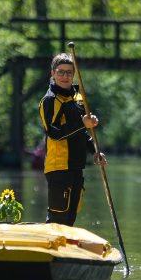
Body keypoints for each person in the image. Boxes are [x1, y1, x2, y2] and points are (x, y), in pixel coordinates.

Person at [38, 53, 104, 226]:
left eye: (69, 72)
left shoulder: (78, 97)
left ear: (74, 74)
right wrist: (83, 123)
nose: (65, 76)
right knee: (57, 219)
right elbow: (54, 133)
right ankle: (52, 251)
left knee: (70, 218)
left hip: (76, 166)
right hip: (58, 167)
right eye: (61, 72)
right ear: (52, 73)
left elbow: (81, 132)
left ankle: (67, 252)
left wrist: (95, 151)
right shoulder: (50, 100)